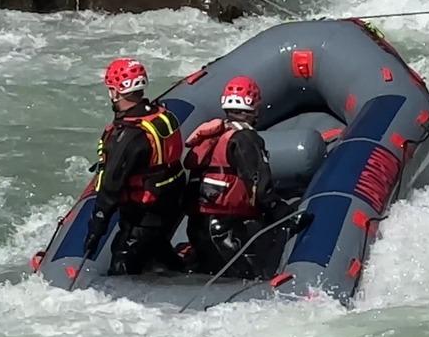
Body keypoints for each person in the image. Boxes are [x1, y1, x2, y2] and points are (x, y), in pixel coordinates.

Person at [183, 76, 312, 279]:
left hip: (198, 225)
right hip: (223, 230)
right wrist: (286, 215)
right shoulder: (245, 138)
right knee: (245, 278)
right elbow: (260, 186)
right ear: (254, 107)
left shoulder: (215, 134)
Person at [84, 58, 187, 275]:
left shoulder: (130, 136)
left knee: (123, 259)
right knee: (157, 247)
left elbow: (111, 187)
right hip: (170, 203)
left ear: (115, 92)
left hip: (144, 213)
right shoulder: (161, 115)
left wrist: (96, 229)